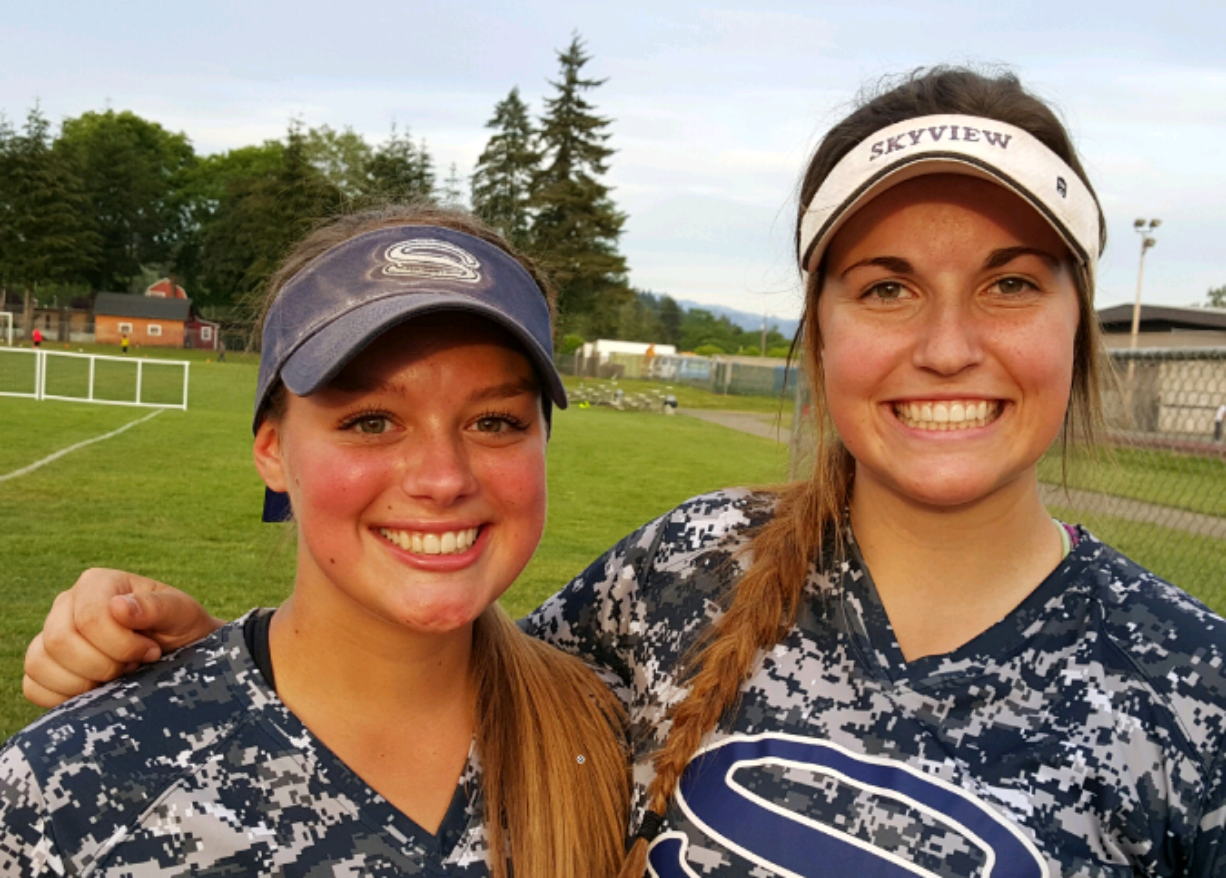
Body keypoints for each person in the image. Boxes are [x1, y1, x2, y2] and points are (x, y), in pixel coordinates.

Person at [22, 68, 1226, 877]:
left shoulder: (1197, 692)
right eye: (886, 286)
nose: (949, 343)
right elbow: (421, 668)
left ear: (1080, 318)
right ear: (819, 329)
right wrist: (200, 657)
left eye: (1012, 281)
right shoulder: (683, 569)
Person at [2, 204, 630, 877]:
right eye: (370, 421)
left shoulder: (636, 747)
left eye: (496, 421)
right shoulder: (72, 791)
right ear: (273, 450)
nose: (443, 479)